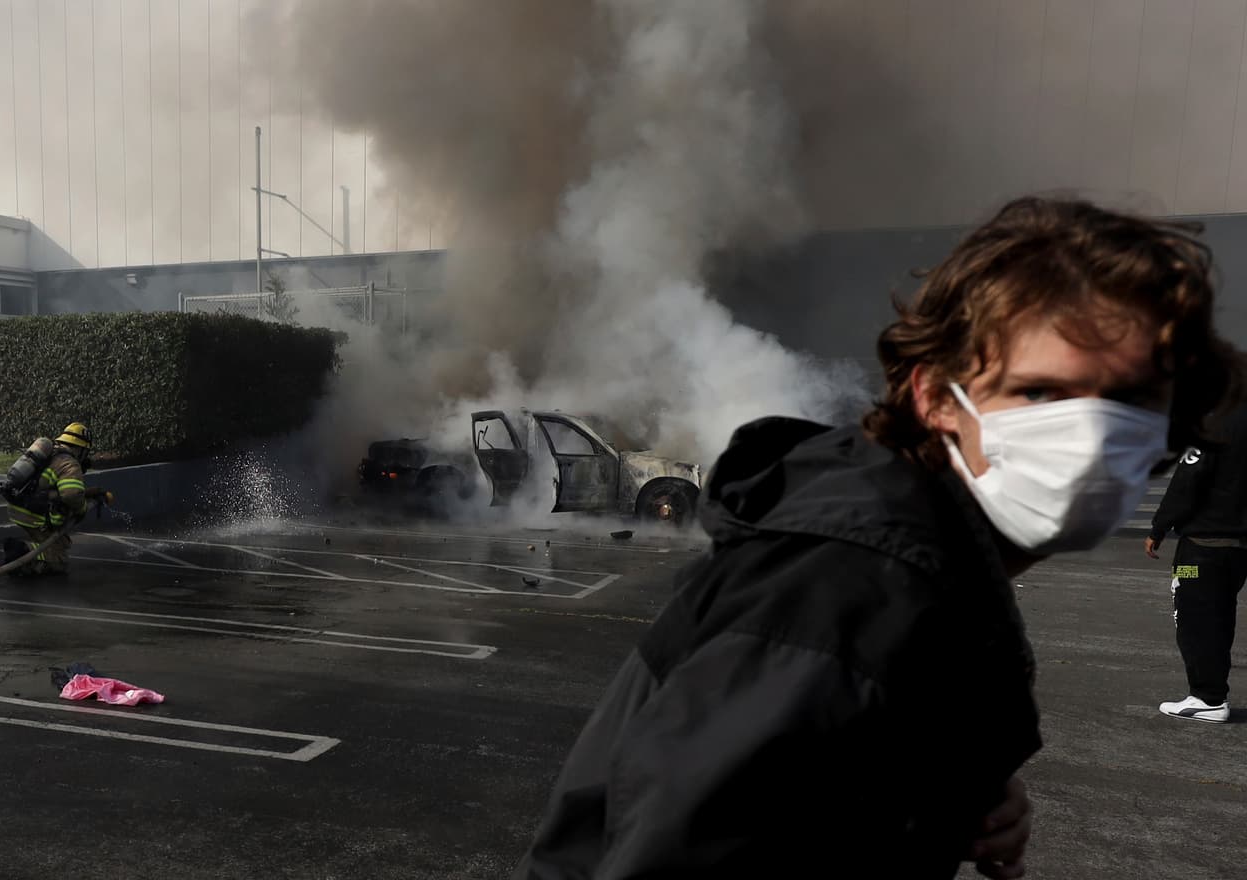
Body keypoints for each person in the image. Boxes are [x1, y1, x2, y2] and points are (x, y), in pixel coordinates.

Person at [512, 197, 1235, 880]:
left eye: (1132, 402)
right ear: (934, 396)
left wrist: (940, 793)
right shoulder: (843, 594)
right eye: (1040, 393)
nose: (1093, 435)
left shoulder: (914, 554)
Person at [1146, 394, 1247, 723]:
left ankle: (1208, 698)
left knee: (1195, 618)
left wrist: (1159, 527)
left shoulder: (1214, 425)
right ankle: (1212, 693)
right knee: (1221, 618)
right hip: (1237, 550)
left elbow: (1187, 480)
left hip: (1201, 550)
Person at [3, 422, 93, 576]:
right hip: (34, 515)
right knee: (58, 560)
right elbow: (72, 495)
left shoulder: (50, 453)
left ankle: (25, 553)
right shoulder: (69, 464)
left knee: (61, 542)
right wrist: (82, 508)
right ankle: (21, 551)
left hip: (18, 506)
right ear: (81, 449)